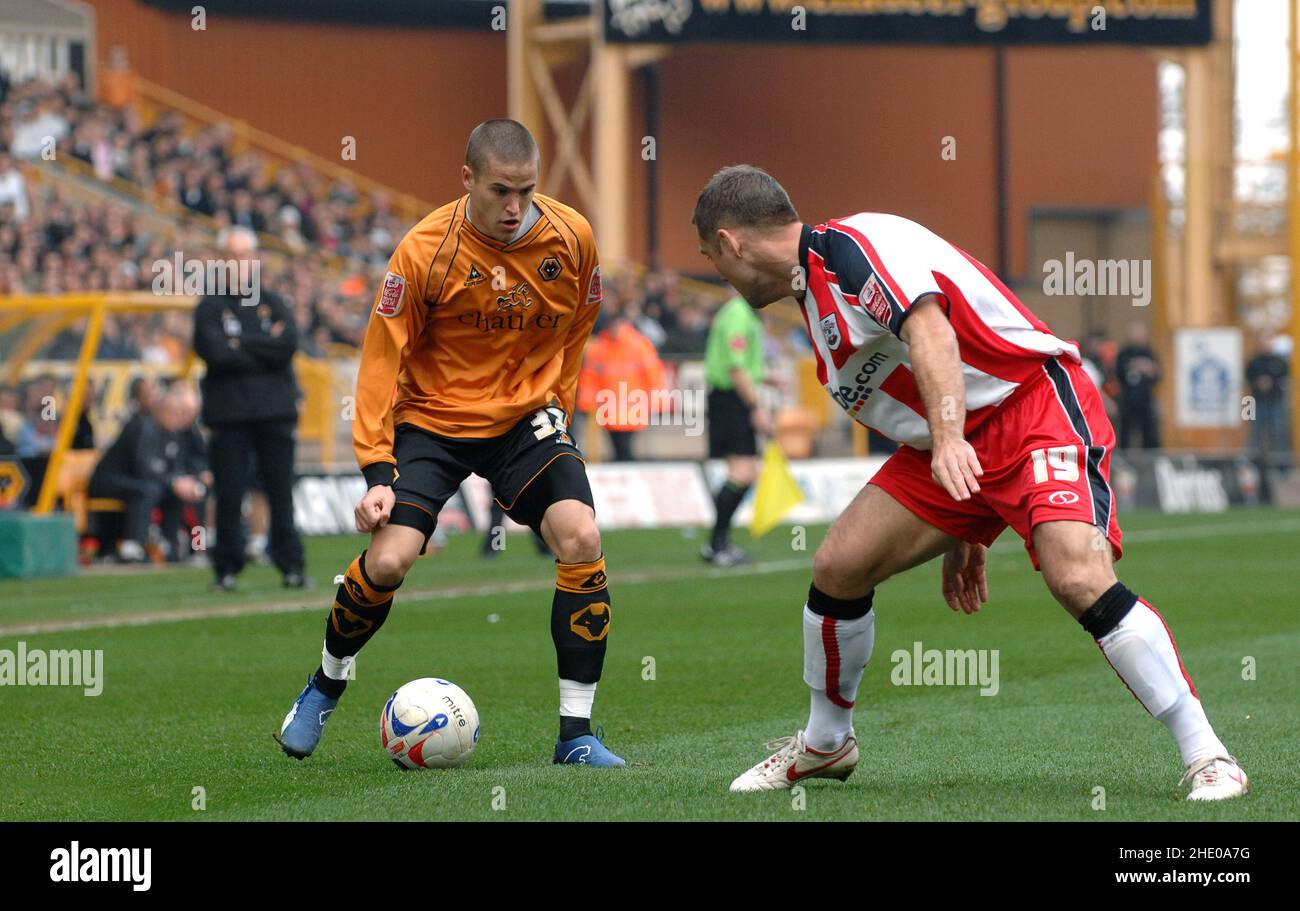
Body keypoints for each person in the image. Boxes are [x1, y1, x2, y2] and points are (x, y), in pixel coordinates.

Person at [692, 165, 1247, 801]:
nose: (719, 275)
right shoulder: (812, 305)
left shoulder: (850, 248)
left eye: (711, 257)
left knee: (1077, 577)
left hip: (1034, 406)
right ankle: (826, 744)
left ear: (732, 242)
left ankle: (1208, 754)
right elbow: (911, 388)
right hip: (949, 441)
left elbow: (929, 328)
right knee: (838, 566)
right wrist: (965, 519)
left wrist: (952, 439)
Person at [275, 119, 623, 768]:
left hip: (525, 419)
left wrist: (559, 410)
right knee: (388, 563)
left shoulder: (571, 236)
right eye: (501, 191)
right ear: (467, 181)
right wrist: (378, 469)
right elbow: (381, 361)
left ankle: (575, 734)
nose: (516, 207)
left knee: (581, 536)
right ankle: (326, 682)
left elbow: (579, 324)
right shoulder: (423, 251)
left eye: (527, 190)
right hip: (431, 421)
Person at [192, 226, 305, 591]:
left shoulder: (273, 300)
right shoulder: (209, 306)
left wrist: (241, 342)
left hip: (275, 412)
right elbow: (216, 353)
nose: (238, 263)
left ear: (255, 260)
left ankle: (292, 565)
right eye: (231, 256)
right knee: (229, 491)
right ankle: (226, 568)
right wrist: (260, 346)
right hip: (229, 414)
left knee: (280, 492)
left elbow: (287, 345)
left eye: (244, 256)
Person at [88, 386, 209, 563]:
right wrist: (175, 481)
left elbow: (181, 463)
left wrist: (191, 479)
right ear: (160, 410)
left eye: (182, 413)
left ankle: (186, 546)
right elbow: (143, 467)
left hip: (147, 483)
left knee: (193, 493)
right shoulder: (142, 427)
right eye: (173, 412)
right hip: (109, 481)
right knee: (149, 490)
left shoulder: (178, 431)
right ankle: (133, 546)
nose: (178, 417)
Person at [701, 291, 769, 567]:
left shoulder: (737, 312)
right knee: (744, 472)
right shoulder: (738, 314)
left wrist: (767, 378)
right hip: (732, 400)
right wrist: (755, 407)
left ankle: (717, 542)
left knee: (740, 472)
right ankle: (717, 544)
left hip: (727, 398)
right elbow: (736, 368)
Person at [577, 307, 665, 462]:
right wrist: (587, 403)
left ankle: (625, 470)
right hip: (610, 408)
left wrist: (656, 400)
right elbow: (591, 379)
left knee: (623, 448)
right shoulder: (599, 349)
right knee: (619, 447)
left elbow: (653, 374)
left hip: (632, 406)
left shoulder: (638, 345)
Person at [1245, 333, 1291, 468]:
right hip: (1255, 403)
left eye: (1269, 341)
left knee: (1279, 433)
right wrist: (1258, 384)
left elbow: (1285, 380)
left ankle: (1281, 465)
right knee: (1255, 434)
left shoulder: (1280, 361)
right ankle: (1254, 465)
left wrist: (1272, 383)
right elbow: (1248, 380)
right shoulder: (1253, 361)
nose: (1266, 344)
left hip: (1275, 402)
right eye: (1264, 341)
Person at [1115, 322, 1161, 450]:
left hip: (1145, 397)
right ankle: (1125, 455)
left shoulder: (1150, 353)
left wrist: (1150, 369)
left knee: (1149, 430)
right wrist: (1135, 365)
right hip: (1128, 398)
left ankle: (1150, 456)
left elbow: (1158, 375)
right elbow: (1118, 372)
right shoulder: (1124, 353)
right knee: (1126, 430)